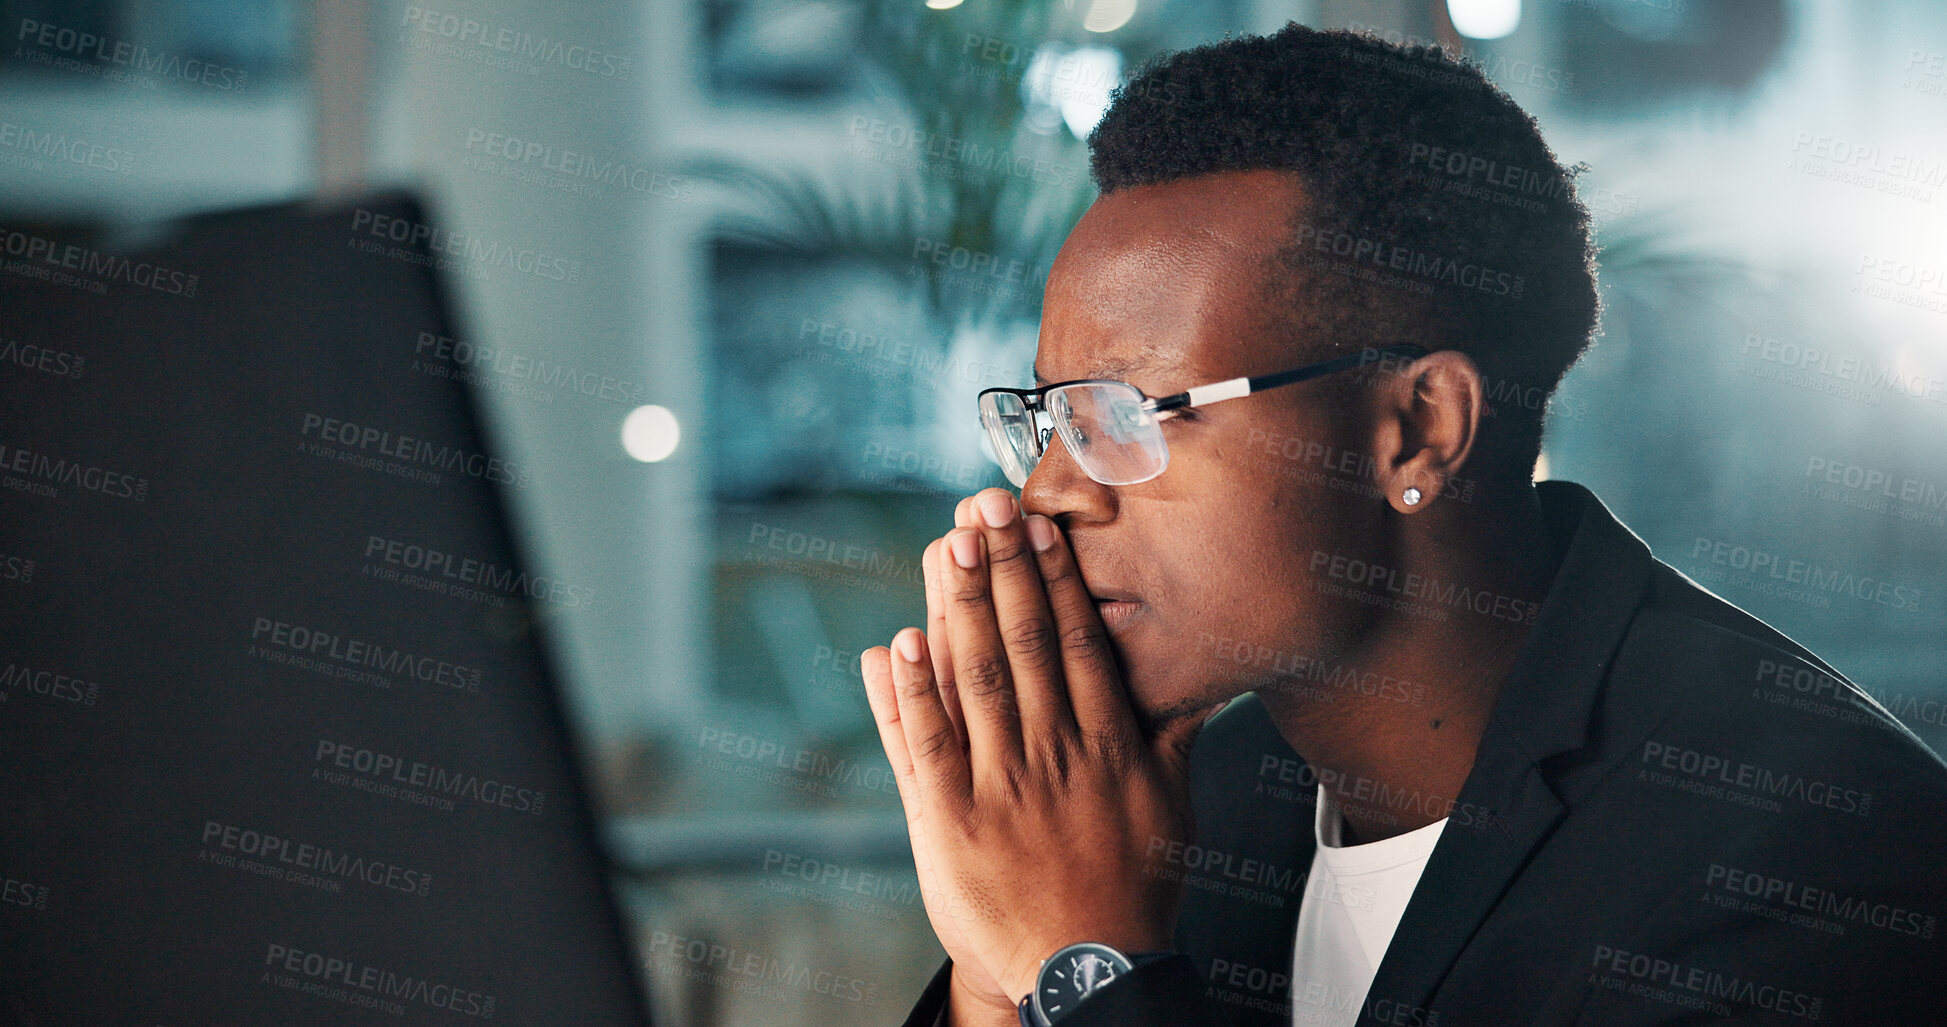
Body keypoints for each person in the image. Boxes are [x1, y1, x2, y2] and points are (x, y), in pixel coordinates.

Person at [859, 23, 1947, 1027]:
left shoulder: (1813, 859)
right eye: (1052, 416)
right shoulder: (1189, 796)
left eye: (1127, 415)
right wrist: (996, 972)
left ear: (1420, 429)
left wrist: (1089, 965)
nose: (1049, 491)